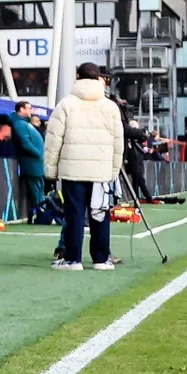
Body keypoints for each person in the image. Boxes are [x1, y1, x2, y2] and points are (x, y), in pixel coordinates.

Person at [43, 62, 125, 272]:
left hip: (73, 170)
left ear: (77, 76)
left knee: (74, 214)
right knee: (100, 213)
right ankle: (100, 259)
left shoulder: (66, 104)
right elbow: (118, 143)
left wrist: (50, 172)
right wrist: (113, 171)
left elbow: (53, 142)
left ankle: (73, 259)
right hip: (101, 171)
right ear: (99, 78)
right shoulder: (110, 107)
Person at [9, 101, 46, 217]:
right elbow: (26, 144)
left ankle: (43, 212)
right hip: (32, 163)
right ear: (21, 109)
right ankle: (40, 214)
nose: (31, 111)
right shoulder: (19, 124)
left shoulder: (25, 124)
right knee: (36, 190)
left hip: (37, 164)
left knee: (40, 189)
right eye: (29, 108)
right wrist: (38, 154)